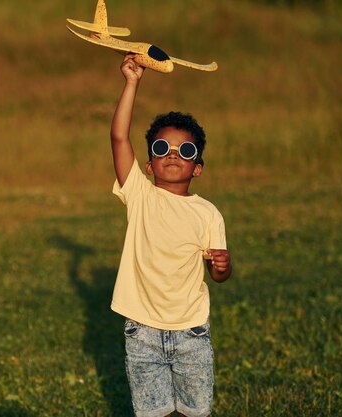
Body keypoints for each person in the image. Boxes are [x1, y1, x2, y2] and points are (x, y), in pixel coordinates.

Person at [110, 54, 232, 417]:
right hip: (142, 332)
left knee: (195, 413)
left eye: (186, 150)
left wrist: (223, 266)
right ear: (149, 165)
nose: (173, 155)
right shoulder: (140, 194)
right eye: (162, 149)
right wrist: (132, 82)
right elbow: (118, 136)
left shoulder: (208, 213)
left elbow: (218, 275)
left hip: (191, 333)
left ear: (198, 168)